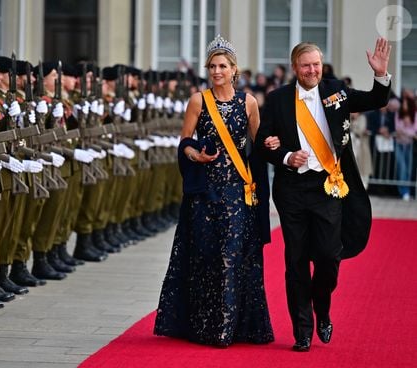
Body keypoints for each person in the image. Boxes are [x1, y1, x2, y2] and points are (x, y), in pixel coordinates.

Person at [256, 38, 391, 352]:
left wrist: (381, 76)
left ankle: (323, 308)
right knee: (297, 260)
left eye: (316, 64)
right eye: (306, 65)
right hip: (291, 190)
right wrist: (287, 156)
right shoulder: (277, 100)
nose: (312, 70)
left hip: (328, 187)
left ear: (321, 65)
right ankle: (302, 330)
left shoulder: (336, 91)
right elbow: (264, 139)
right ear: (295, 68)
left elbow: (375, 100)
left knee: (329, 257)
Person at [154, 35, 274, 347]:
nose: (217, 71)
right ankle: (204, 325)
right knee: (205, 256)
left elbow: (258, 144)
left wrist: (277, 146)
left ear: (235, 70)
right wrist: (196, 155)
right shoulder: (198, 101)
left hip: (237, 191)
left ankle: (227, 327)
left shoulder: (248, 102)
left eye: (222, 66)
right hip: (205, 191)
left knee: (231, 257)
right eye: (212, 66)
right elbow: (184, 143)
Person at [394, 92, 417, 200]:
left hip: (409, 145)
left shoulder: (414, 115)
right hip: (399, 144)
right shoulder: (398, 114)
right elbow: (397, 128)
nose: (404, 105)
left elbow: (414, 131)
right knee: (402, 168)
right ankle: (403, 192)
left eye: (406, 103)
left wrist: (405, 130)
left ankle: (406, 191)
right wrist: (406, 128)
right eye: (403, 103)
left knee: (408, 169)